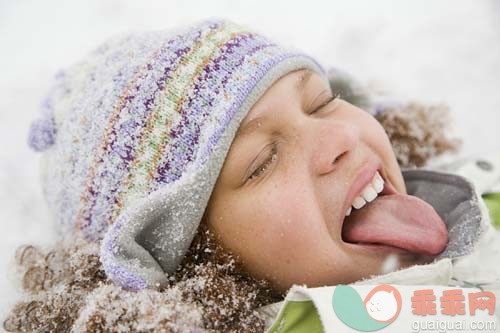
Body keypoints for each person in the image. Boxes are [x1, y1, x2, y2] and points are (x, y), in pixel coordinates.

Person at [4, 19, 500, 332]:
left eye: (322, 103)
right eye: (262, 161)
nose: (337, 140)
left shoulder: (477, 195)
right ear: (202, 267)